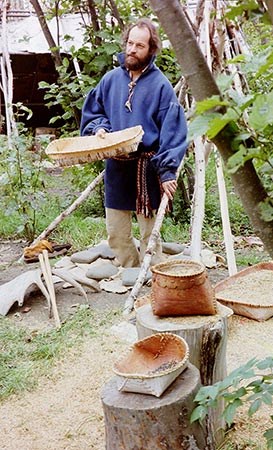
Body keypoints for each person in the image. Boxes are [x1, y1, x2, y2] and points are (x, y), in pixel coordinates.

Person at [80, 18, 188, 268]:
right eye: (130, 43)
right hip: (117, 166)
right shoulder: (110, 80)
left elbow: (172, 130)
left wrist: (167, 170)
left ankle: (155, 275)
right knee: (116, 232)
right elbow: (94, 113)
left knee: (150, 232)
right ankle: (129, 272)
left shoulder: (160, 86)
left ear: (151, 49)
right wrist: (99, 129)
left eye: (139, 45)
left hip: (146, 167)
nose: (132, 49)